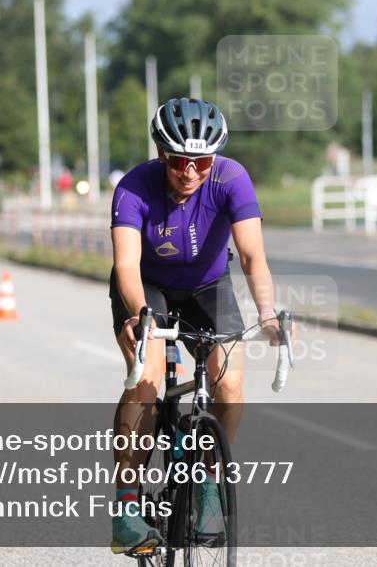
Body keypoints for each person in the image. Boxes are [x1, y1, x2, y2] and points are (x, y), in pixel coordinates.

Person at [108, 97, 288, 553]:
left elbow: (252, 257)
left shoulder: (232, 179)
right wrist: (140, 314)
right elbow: (127, 266)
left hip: (208, 287)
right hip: (146, 289)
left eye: (202, 162)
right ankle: (127, 505)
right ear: (161, 154)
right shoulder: (133, 187)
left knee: (229, 383)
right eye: (179, 162)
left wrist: (267, 313)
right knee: (146, 378)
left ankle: (206, 482)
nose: (190, 172)